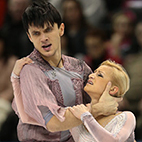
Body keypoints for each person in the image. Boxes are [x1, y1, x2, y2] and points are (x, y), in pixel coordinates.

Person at [11, 0, 119, 141]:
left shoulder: (79, 67)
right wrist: (98, 109)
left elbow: (105, 103)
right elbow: (53, 123)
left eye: (48, 30)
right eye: (36, 33)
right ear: (29, 37)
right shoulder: (30, 71)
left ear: (61, 29)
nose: (44, 38)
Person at [68, 60, 136, 142]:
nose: (91, 75)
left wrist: (86, 117)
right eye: (94, 72)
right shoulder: (79, 113)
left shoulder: (126, 117)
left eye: (100, 75)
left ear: (113, 89)